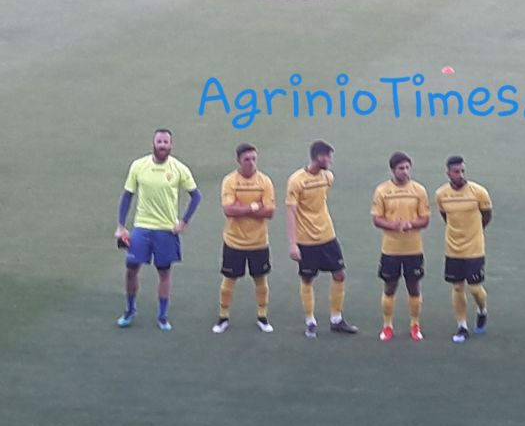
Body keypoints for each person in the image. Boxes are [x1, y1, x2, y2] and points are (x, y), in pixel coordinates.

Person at [115, 129, 202, 331]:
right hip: (142, 227)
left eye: (166, 142)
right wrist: (121, 226)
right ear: (153, 143)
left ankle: (162, 316)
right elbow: (127, 195)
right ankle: (129, 310)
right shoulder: (139, 166)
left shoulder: (179, 168)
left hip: (166, 230)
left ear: (171, 145)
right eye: (159, 141)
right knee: (131, 269)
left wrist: (183, 222)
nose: (162, 145)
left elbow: (196, 196)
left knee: (164, 272)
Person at [286, 140, 358, 338]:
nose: (330, 161)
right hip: (306, 240)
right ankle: (310, 321)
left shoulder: (328, 177)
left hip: (327, 235)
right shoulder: (296, 181)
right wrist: (293, 244)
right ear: (319, 157)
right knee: (307, 278)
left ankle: (336, 319)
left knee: (339, 274)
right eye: (328, 157)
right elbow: (291, 211)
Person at [211, 143, 276, 335]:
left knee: (260, 279)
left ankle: (262, 317)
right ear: (238, 160)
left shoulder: (265, 181)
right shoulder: (230, 181)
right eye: (247, 159)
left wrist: (241, 208)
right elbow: (228, 210)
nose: (251, 163)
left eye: (254, 159)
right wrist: (255, 207)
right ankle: (223, 317)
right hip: (234, 241)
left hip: (259, 242)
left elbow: (270, 212)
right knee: (229, 280)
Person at [371, 152, 430, 342]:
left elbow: (425, 219)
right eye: (400, 168)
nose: (404, 171)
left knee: (414, 286)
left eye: (407, 168)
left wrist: (410, 224)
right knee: (390, 287)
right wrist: (394, 226)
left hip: (413, 249)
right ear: (393, 170)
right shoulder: (382, 191)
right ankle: (387, 326)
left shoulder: (419, 190)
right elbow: (377, 219)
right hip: (391, 249)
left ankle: (415, 325)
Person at [435, 156, 492, 344]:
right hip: (453, 249)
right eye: (456, 172)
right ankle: (462, 326)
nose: (460, 175)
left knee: (475, 288)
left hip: (474, 248)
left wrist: (474, 232)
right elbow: (446, 216)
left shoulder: (479, 192)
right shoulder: (441, 194)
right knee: (457, 287)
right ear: (448, 173)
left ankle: (482, 310)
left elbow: (486, 216)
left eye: (462, 171)